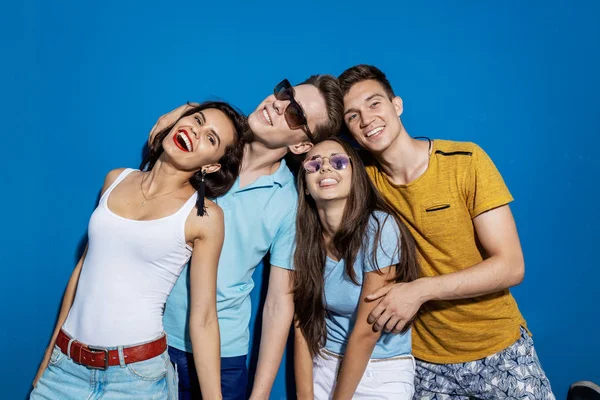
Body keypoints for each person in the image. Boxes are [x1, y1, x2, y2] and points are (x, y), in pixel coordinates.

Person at [338, 64, 555, 399]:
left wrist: (419, 291)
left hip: (498, 346)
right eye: (352, 115)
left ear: (397, 105)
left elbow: (511, 265)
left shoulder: (465, 161)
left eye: (374, 103)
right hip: (425, 362)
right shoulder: (361, 181)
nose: (366, 119)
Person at [30, 101, 246, 400]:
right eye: (196, 120)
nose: (195, 132)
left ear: (210, 166)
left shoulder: (204, 217)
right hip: (65, 367)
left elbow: (205, 318)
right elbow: (83, 271)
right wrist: (48, 356)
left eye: (211, 138)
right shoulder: (115, 178)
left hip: (136, 379)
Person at [152, 76, 344, 399]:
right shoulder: (211, 144)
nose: (277, 105)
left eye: (295, 114)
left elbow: (278, 302)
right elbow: (159, 139)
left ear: (300, 145)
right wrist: (195, 110)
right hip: (153, 337)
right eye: (285, 93)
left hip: (222, 355)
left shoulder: (288, 203)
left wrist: (260, 393)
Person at [293, 138, 419, 399]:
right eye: (314, 164)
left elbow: (366, 331)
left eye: (338, 162)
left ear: (355, 177)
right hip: (323, 363)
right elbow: (302, 323)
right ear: (305, 186)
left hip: (380, 371)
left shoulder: (380, 227)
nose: (325, 168)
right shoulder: (303, 239)